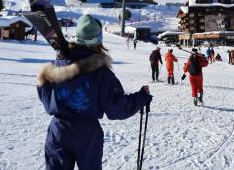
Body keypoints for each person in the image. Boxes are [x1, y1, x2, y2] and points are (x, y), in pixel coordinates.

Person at [36, 14, 152, 169]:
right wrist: (141, 97)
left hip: (59, 131)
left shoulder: (57, 65)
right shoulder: (102, 74)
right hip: (87, 134)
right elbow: (117, 109)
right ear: (98, 41)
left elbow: (44, 96)